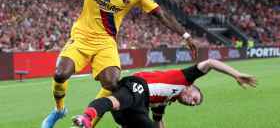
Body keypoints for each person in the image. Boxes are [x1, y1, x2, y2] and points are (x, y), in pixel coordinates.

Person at [41, 0, 197, 128]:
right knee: (60, 74)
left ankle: (111, 121)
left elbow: (161, 14)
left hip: (106, 43)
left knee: (112, 84)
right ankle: (59, 110)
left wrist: (185, 35)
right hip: (82, 37)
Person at [72, 59, 257, 128]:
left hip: (135, 109)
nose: (192, 102)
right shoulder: (184, 79)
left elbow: (159, 121)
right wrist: (236, 74)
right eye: (195, 98)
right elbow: (210, 63)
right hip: (137, 86)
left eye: (193, 104)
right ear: (191, 87)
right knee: (116, 101)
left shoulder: (164, 101)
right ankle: (87, 118)